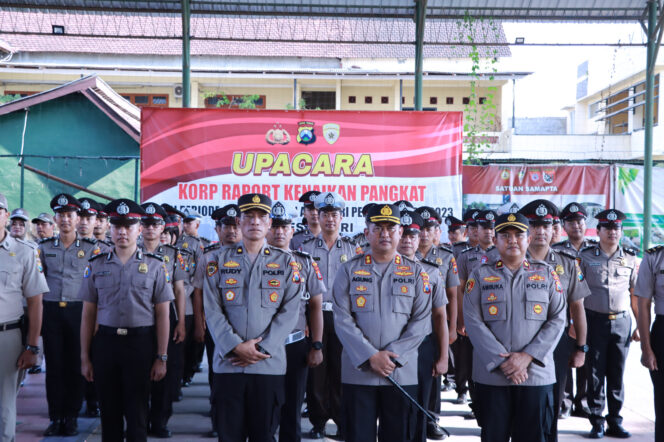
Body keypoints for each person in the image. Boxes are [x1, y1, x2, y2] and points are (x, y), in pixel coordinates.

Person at [201, 193, 303, 441]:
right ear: (239, 222)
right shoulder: (217, 261)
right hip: (228, 365)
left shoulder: (287, 264)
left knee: (263, 435)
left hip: (268, 365)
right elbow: (212, 309)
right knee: (229, 436)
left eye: (261, 217)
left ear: (269, 223)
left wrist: (262, 347)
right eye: (249, 216)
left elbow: (290, 312)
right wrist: (235, 346)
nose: (255, 222)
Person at [333, 203, 431, 442]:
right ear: (367, 233)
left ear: (400, 232)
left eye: (391, 228)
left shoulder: (417, 273)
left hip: (400, 372)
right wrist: (370, 356)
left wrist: (391, 356)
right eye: (378, 228)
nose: (385, 233)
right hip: (359, 371)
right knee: (358, 435)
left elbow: (421, 321)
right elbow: (341, 317)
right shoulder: (348, 270)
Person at [463, 212, 566, 442]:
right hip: (493, 376)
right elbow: (472, 321)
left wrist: (527, 357)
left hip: (535, 375)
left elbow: (558, 318)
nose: (512, 240)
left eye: (518, 235)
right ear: (496, 240)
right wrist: (504, 361)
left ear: (528, 239)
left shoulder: (547, 274)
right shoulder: (479, 275)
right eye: (505, 235)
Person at [80, 198, 173, 442]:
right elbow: (88, 314)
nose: (122, 232)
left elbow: (163, 313)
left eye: (128, 226)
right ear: (110, 228)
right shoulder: (96, 264)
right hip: (106, 344)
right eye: (117, 226)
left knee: (138, 415)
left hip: (140, 345)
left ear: (139, 229)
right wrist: (85, 357)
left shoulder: (155, 266)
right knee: (109, 414)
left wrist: (161, 356)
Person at [518, 199, 592, 442]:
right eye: (535, 225)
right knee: (517, 400)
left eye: (546, 226)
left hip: (556, 343)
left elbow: (577, 307)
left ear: (554, 230)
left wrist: (581, 348)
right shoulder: (510, 259)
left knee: (552, 399)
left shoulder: (568, 262)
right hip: (517, 340)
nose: (540, 231)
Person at [38, 193, 101, 436]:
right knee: (53, 367)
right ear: (55, 219)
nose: (65, 219)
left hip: (79, 312)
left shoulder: (92, 248)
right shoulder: (44, 248)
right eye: (61, 215)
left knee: (77, 364)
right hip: (51, 311)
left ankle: (72, 416)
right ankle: (56, 417)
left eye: (70, 215)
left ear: (77, 219)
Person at [267, 201, 325, 442]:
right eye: (276, 226)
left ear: (293, 231)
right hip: (264, 347)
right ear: (267, 228)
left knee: (292, 406)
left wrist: (317, 345)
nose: (280, 232)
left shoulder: (305, 262)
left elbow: (315, 306)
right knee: (265, 408)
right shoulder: (252, 262)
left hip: (295, 344)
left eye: (285, 227)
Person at [300, 191, 357, 439]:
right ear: (318, 217)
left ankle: (343, 421)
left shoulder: (354, 249)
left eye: (335, 214)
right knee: (317, 372)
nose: (330, 219)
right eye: (325, 214)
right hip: (316, 316)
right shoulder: (305, 249)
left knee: (341, 370)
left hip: (343, 318)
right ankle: (319, 422)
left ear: (341, 217)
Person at [578, 209, 637, 439]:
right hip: (594, 320)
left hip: (621, 322)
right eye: (608, 228)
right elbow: (578, 294)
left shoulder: (631, 257)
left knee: (617, 373)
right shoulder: (586, 256)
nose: (612, 232)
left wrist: (640, 326)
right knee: (594, 373)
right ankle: (597, 421)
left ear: (620, 232)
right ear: (599, 231)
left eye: (616, 229)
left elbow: (635, 293)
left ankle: (615, 420)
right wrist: (576, 322)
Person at [397, 208, 449, 442]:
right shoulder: (379, 268)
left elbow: (440, 317)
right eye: (404, 234)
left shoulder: (432, 272)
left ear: (420, 239)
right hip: (390, 346)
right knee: (393, 406)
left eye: (413, 235)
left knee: (420, 403)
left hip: (422, 347)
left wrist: (443, 355)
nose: (408, 240)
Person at [0, 193, 48, 442]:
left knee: (4, 404)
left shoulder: (25, 252)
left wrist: (32, 346)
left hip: (6, 337)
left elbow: (35, 302)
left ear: (6, 216)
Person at [140, 202, 188, 438]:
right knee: (138, 373)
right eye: (146, 224)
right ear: (140, 227)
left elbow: (179, 290)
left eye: (155, 224)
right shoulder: (129, 250)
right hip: (138, 316)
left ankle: (159, 421)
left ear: (163, 229)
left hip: (167, 317)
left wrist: (180, 323)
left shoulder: (174, 255)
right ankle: (139, 420)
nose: (150, 229)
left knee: (164, 373)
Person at [552, 202, 596, 418]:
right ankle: (565, 401)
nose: (576, 226)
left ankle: (584, 400)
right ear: (564, 226)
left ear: (585, 223)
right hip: (568, 315)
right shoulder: (558, 252)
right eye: (570, 222)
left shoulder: (596, 248)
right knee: (566, 357)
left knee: (588, 358)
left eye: (579, 221)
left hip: (593, 315)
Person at [454, 209, 500, 411]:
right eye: (484, 228)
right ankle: (476, 403)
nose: (488, 232)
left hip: (498, 317)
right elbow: (460, 289)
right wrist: (461, 319)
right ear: (476, 229)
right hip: (474, 317)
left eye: (492, 228)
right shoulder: (465, 256)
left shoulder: (503, 252)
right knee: (472, 362)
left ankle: (492, 405)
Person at [635, 244, 664, 441]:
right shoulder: (655, 257)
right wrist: (646, 348)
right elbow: (643, 304)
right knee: (663, 403)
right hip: (662, 332)